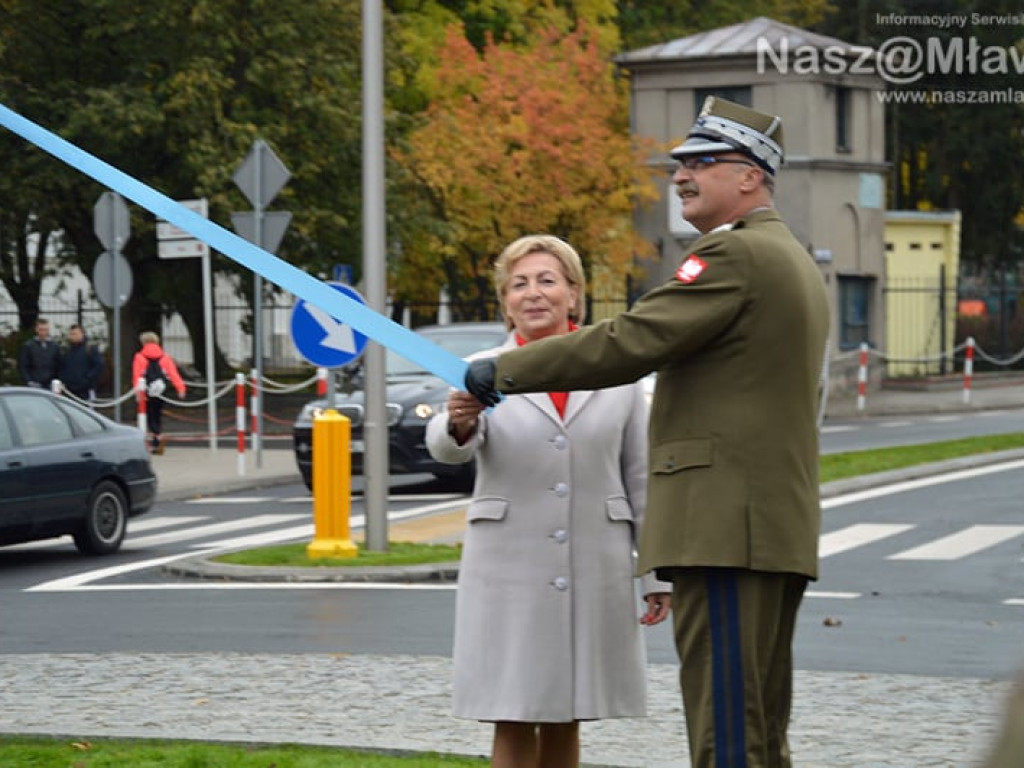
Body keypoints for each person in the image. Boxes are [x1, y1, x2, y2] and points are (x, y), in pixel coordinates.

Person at [462, 98, 831, 768]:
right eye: (680, 164)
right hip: (768, 525)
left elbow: (629, 342)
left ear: (750, 176)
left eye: (701, 163)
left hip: (725, 528)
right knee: (760, 726)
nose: (680, 176)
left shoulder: (733, 256)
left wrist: (501, 370)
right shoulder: (792, 258)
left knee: (729, 733)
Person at [425, 234, 671, 768]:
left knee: (569, 712)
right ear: (505, 300)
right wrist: (461, 421)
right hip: (508, 565)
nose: (533, 294)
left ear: (574, 295)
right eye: (519, 284)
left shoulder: (616, 371)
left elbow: (642, 477)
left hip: (594, 562)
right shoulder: (481, 367)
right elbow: (447, 448)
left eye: (547, 280)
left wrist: (656, 574)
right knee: (511, 710)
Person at [132, 331, 186, 455]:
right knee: (157, 415)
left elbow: (137, 375)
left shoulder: (139, 357)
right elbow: (173, 374)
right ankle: (157, 440)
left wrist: (137, 392)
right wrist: (181, 388)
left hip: (146, 390)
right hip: (161, 390)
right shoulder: (165, 357)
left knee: (149, 417)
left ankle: (157, 437)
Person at [57, 324, 105, 404]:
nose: (72, 336)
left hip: (86, 390)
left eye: (75, 334)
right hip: (70, 391)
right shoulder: (67, 351)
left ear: (82, 334)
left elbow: (99, 365)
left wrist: (87, 378)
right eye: (71, 334)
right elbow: (62, 367)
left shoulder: (90, 349)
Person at [19, 317, 60, 390]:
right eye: (41, 330)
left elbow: (58, 365)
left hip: (50, 383)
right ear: (36, 330)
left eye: (46, 330)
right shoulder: (28, 346)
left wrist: (56, 380)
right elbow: (23, 365)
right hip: (34, 383)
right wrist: (29, 381)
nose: (43, 332)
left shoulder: (55, 346)